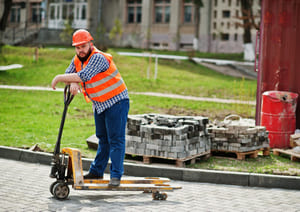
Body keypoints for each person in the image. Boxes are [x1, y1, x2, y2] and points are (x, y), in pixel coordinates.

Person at [51, 29, 129, 187]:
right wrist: (72, 82)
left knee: (116, 140)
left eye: (83, 46)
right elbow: (70, 73)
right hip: (100, 104)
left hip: (117, 101)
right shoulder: (77, 59)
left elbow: (83, 76)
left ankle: (116, 176)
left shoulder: (98, 58)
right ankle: (97, 171)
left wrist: (60, 78)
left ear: (90, 44)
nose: (80, 50)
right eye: (77, 47)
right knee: (102, 138)